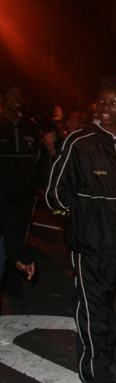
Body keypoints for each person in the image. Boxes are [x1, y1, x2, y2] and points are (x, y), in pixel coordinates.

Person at [45, 81, 116, 383]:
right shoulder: (78, 142)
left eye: (114, 102)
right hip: (92, 241)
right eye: (101, 101)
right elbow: (56, 193)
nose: (106, 107)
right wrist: (86, 216)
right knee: (96, 307)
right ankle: (96, 367)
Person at [0, 83, 43, 297]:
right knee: (4, 234)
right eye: (12, 93)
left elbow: (38, 157)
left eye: (20, 94)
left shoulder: (30, 126)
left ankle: (13, 279)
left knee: (19, 233)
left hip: (25, 192)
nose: (17, 97)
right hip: (2, 192)